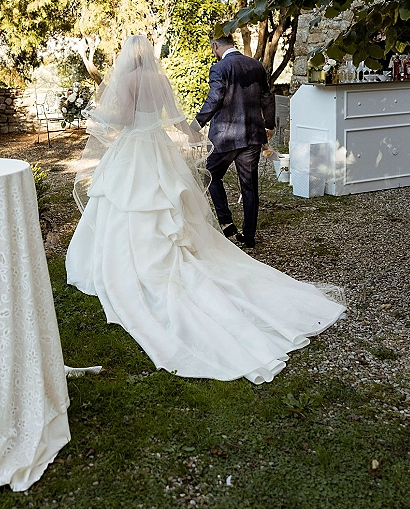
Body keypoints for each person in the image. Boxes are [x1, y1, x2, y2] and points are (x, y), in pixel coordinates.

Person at [66, 35, 345, 384]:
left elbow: (123, 118)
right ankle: (221, 242)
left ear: (125, 57)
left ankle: (130, 260)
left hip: (135, 149)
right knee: (175, 200)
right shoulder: (161, 79)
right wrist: (193, 135)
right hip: (161, 147)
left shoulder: (126, 80)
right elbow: (179, 120)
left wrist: (98, 114)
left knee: (127, 201)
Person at [195, 35, 275, 249]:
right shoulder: (256, 65)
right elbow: (267, 97)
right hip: (252, 136)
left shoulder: (220, 68)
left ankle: (226, 221)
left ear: (215, 46)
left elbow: (215, 99)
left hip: (226, 137)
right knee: (249, 186)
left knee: (210, 175)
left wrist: (196, 124)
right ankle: (249, 236)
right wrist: (269, 125)